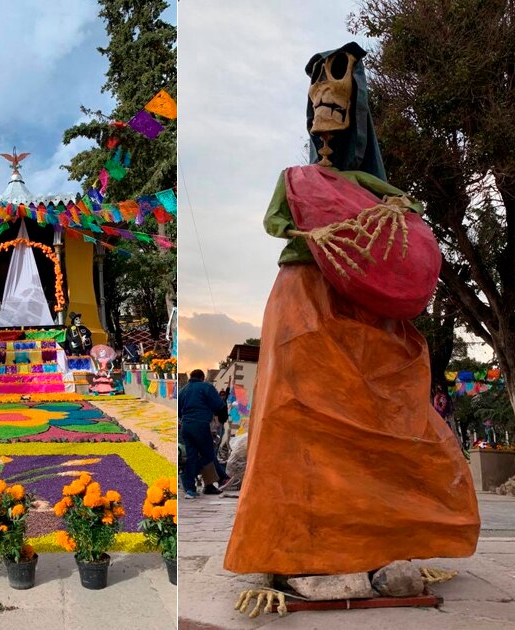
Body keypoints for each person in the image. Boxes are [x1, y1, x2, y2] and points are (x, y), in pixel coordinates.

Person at [224, 43, 478, 577]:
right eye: (318, 102)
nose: (324, 120)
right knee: (293, 410)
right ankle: (284, 553)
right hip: (300, 295)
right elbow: (273, 223)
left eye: (337, 104)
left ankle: (382, 540)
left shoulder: (358, 181)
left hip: (351, 298)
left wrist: (394, 210)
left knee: (372, 410)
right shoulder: (293, 177)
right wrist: (308, 230)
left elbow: (404, 203)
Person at [178, 369, 231, 498]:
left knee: (192, 456)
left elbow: (179, 412)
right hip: (200, 425)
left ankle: (190, 489)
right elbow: (219, 405)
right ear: (202, 377)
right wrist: (219, 419)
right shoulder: (206, 387)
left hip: (186, 427)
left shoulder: (183, 390)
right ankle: (222, 478)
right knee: (208, 455)